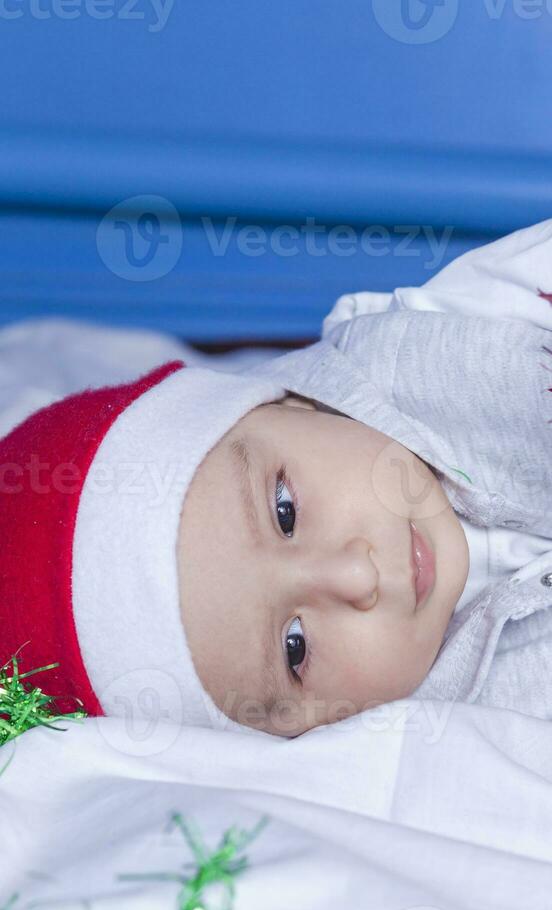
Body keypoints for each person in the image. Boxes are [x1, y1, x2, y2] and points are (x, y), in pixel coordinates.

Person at [2, 218, 552, 739]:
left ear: (291, 403)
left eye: (284, 511)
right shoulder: (461, 740)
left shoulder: (458, 331)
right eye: (294, 647)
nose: (356, 575)